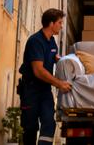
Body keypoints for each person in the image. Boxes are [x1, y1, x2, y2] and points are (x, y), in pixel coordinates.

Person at [18, 8, 72, 145]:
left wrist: (65, 61)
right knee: (30, 127)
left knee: (49, 122)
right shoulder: (35, 41)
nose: (61, 25)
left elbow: (53, 56)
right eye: (60, 22)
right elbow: (38, 70)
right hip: (31, 90)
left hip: (44, 90)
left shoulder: (52, 41)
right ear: (51, 23)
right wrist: (59, 84)